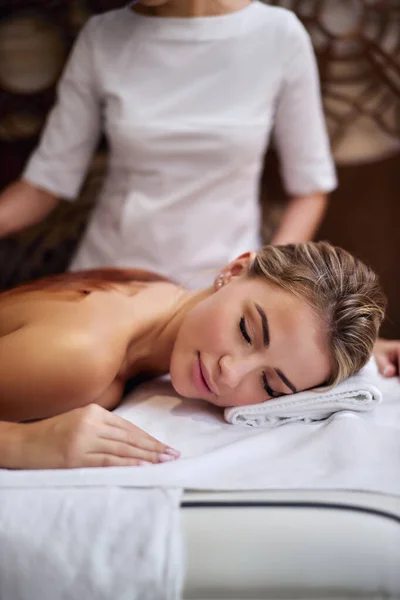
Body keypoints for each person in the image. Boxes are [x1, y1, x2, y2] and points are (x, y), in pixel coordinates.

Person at [0, 0, 337, 287]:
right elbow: (45, 184)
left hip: (220, 291)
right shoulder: (102, 36)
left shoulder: (279, 35)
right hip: (108, 285)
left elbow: (310, 190)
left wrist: (260, 281)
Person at [0, 241, 385, 470]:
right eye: (246, 332)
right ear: (234, 271)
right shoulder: (83, 357)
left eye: (269, 384)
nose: (230, 374)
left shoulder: (157, 293)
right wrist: (24, 443)